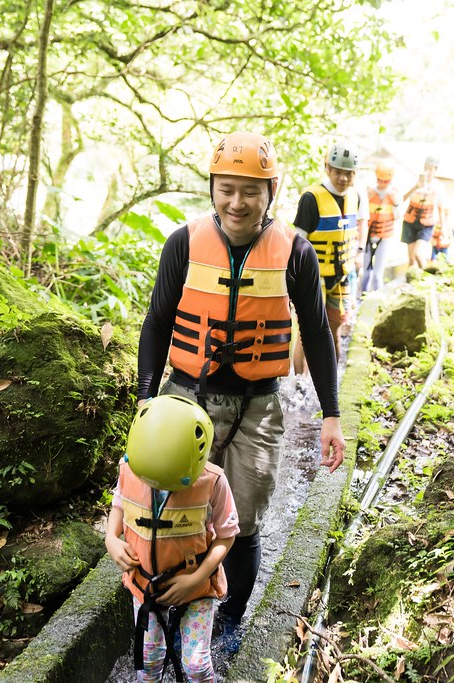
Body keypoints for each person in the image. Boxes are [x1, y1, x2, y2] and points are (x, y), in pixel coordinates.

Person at [136, 131, 346, 648]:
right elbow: (158, 322)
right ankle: (169, 615)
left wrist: (331, 415)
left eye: (250, 190)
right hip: (183, 397)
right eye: (227, 188)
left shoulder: (294, 251)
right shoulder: (183, 242)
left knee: (244, 521)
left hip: (258, 405)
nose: (237, 202)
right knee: (168, 510)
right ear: (213, 187)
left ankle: (227, 628)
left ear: (270, 191)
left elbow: (317, 333)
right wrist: (145, 400)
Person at [106, 395, 239, 682]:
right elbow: (120, 502)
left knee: (196, 666)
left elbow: (227, 536)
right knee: (149, 663)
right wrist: (110, 539)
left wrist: (196, 578)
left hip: (196, 584)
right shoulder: (131, 467)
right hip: (147, 587)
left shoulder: (213, 481)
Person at [291, 141, 369, 365]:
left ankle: (331, 382)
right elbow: (298, 243)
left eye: (348, 173)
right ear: (328, 169)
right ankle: (299, 386)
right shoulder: (311, 199)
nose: (343, 178)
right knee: (307, 336)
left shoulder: (356, 197)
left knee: (335, 332)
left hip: (342, 276)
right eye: (338, 172)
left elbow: (361, 226)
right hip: (314, 279)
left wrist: (359, 253)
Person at [401, 155, 447, 271]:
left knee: (417, 253)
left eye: (431, 169)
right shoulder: (414, 181)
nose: (428, 171)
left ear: (435, 170)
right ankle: (412, 285)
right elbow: (401, 199)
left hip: (426, 224)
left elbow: (441, 208)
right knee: (411, 260)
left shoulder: (438, 186)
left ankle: (428, 275)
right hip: (410, 222)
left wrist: (443, 227)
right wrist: (415, 187)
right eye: (426, 168)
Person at [360, 161, 400, 293]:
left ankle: (377, 300)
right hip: (368, 237)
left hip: (384, 237)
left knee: (377, 275)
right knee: (366, 273)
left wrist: (395, 202)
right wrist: (366, 198)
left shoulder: (393, 194)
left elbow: (397, 216)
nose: (382, 184)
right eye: (379, 180)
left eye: (385, 181)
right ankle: (361, 298)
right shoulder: (368, 192)